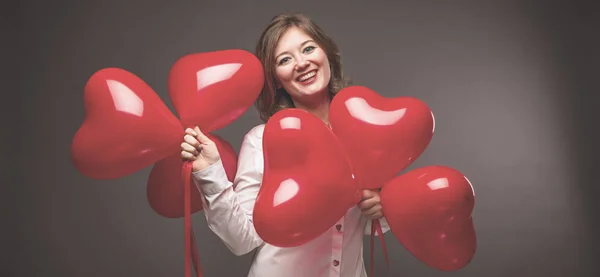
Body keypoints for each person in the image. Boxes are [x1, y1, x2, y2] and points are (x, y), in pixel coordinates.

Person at [180, 13, 390, 277]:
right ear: (276, 78)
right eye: (285, 59)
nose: (301, 63)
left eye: (308, 48)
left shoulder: (362, 129)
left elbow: (366, 224)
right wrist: (209, 170)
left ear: (327, 54)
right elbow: (242, 240)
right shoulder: (262, 140)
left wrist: (381, 206)